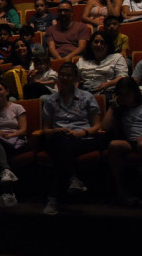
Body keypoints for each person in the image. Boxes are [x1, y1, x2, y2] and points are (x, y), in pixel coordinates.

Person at [41, 62, 104, 216]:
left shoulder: (87, 97)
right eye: (62, 75)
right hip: (58, 137)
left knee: (61, 151)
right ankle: (73, 179)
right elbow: (46, 130)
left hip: (82, 139)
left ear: (76, 77)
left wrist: (82, 133)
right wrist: (56, 130)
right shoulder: (50, 100)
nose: (65, 78)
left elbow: (97, 126)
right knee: (61, 141)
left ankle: (53, 199)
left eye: (69, 75)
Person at [102, 77, 142, 206]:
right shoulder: (120, 110)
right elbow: (104, 127)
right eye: (121, 94)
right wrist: (113, 106)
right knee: (113, 145)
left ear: (135, 93)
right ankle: (121, 190)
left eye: (127, 94)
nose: (124, 97)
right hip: (130, 142)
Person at [77, 31, 128, 101]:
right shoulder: (82, 60)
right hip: (86, 92)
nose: (99, 45)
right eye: (96, 42)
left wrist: (107, 84)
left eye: (102, 43)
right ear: (91, 44)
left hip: (108, 92)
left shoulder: (117, 57)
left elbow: (123, 77)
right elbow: (74, 79)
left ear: (108, 45)